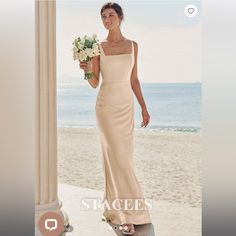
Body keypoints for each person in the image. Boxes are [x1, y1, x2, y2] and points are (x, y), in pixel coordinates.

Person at [79, 2, 151, 234]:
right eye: (103, 16)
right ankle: (125, 216)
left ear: (120, 17)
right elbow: (94, 82)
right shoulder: (98, 47)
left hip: (125, 108)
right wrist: (86, 69)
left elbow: (134, 80)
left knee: (122, 159)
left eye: (110, 15)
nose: (107, 19)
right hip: (106, 108)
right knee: (117, 158)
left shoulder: (133, 46)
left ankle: (115, 209)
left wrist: (143, 107)